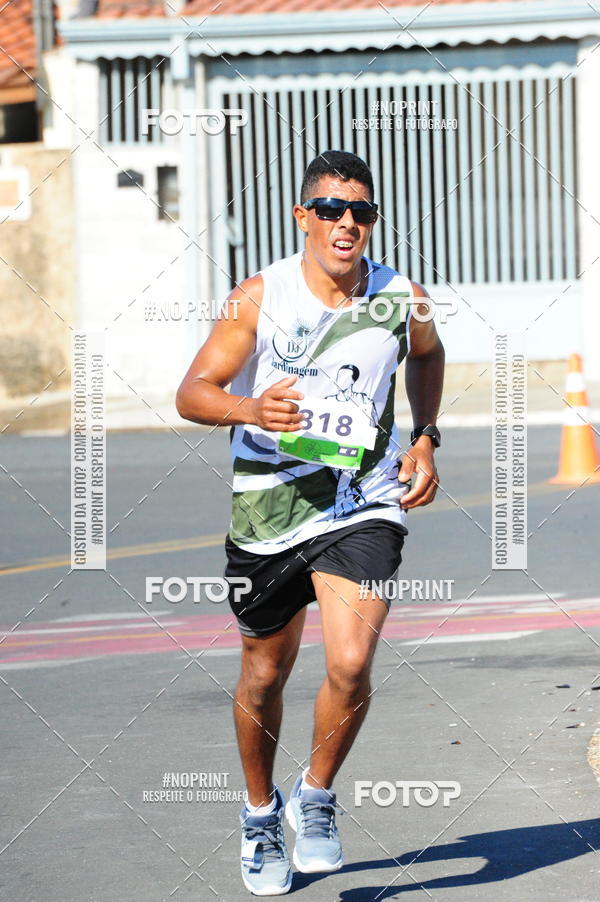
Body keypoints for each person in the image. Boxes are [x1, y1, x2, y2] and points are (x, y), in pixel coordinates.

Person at [176, 149, 444, 895]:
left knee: (351, 662)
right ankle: (261, 812)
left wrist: (425, 436)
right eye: (331, 209)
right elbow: (192, 392)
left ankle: (317, 795)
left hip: (364, 498)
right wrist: (250, 408)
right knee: (265, 672)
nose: (346, 222)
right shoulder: (261, 296)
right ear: (304, 217)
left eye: (361, 211)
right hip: (269, 505)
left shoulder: (402, 297)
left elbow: (428, 354)